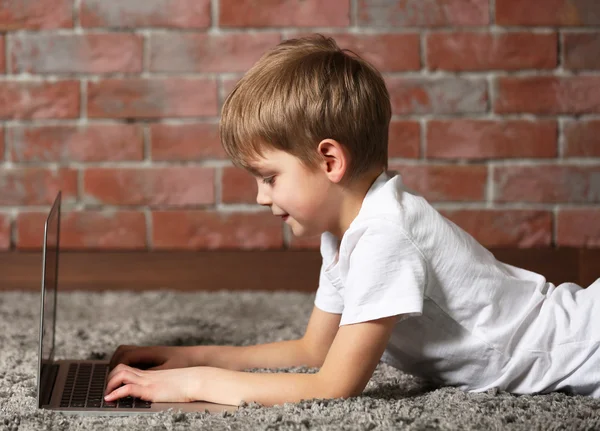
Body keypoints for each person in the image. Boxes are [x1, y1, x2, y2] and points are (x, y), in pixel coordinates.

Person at [104, 34, 600, 406]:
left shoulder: (386, 233)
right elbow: (315, 349)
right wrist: (188, 356)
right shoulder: (347, 231)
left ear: (329, 161)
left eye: (269, 177)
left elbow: (333, 386)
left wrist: (193, 385)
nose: (259, 197)